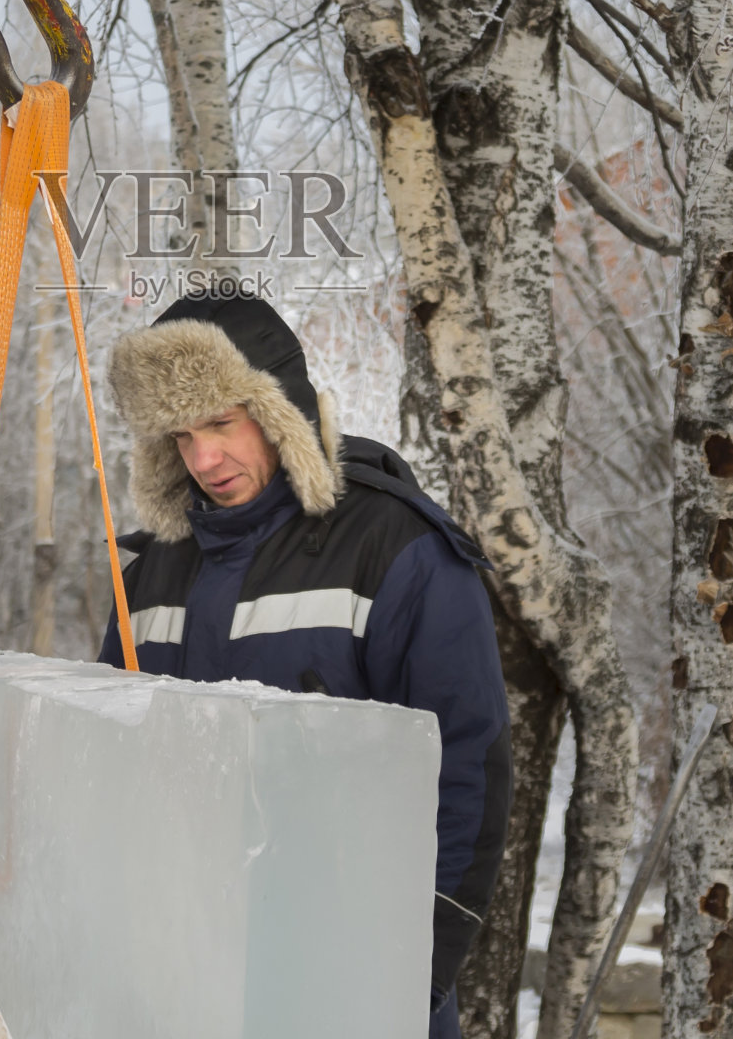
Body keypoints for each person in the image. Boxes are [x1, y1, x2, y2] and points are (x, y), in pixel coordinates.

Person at [99, 289, 511, 1039]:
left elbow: (469, 768)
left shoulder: (396, 548)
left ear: (278, 410)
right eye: (181, 436)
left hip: (352, 974)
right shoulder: (151, 572)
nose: (204, 459)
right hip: (190, 974)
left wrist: (410, 976)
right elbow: (109, 763)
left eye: (222, 423)